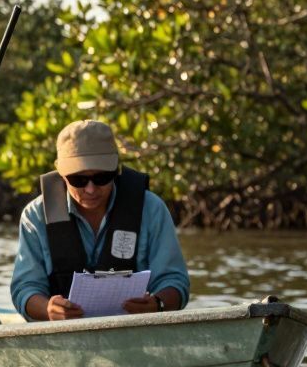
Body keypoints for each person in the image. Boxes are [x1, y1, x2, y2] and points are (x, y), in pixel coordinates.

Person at [10, 119, 190, 321]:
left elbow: (174, 281)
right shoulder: (35, 215)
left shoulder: (151, 208)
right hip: (63, 333)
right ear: (61, 172)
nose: (90, 189)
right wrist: (48, 310)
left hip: (134, 329)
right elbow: (25, 288)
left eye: (101, 178)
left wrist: (158, 304)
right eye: (78, 180)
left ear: (116, 169)